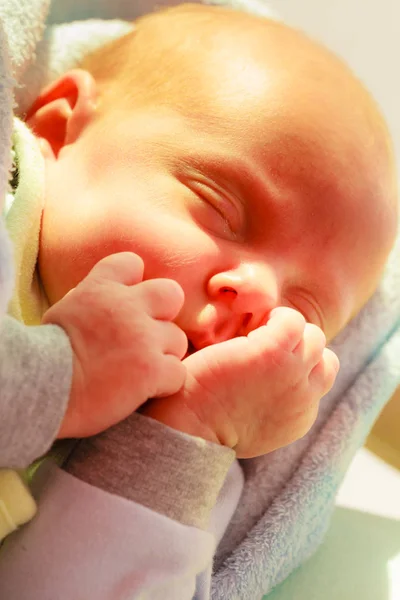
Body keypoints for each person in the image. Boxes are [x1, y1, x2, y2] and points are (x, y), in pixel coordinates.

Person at [0, 3, 397, 599]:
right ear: (57, 128)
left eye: (305, 313)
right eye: (222, 209)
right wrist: (60, 377)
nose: (260, 299)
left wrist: (183, 434)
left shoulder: (198, 478)